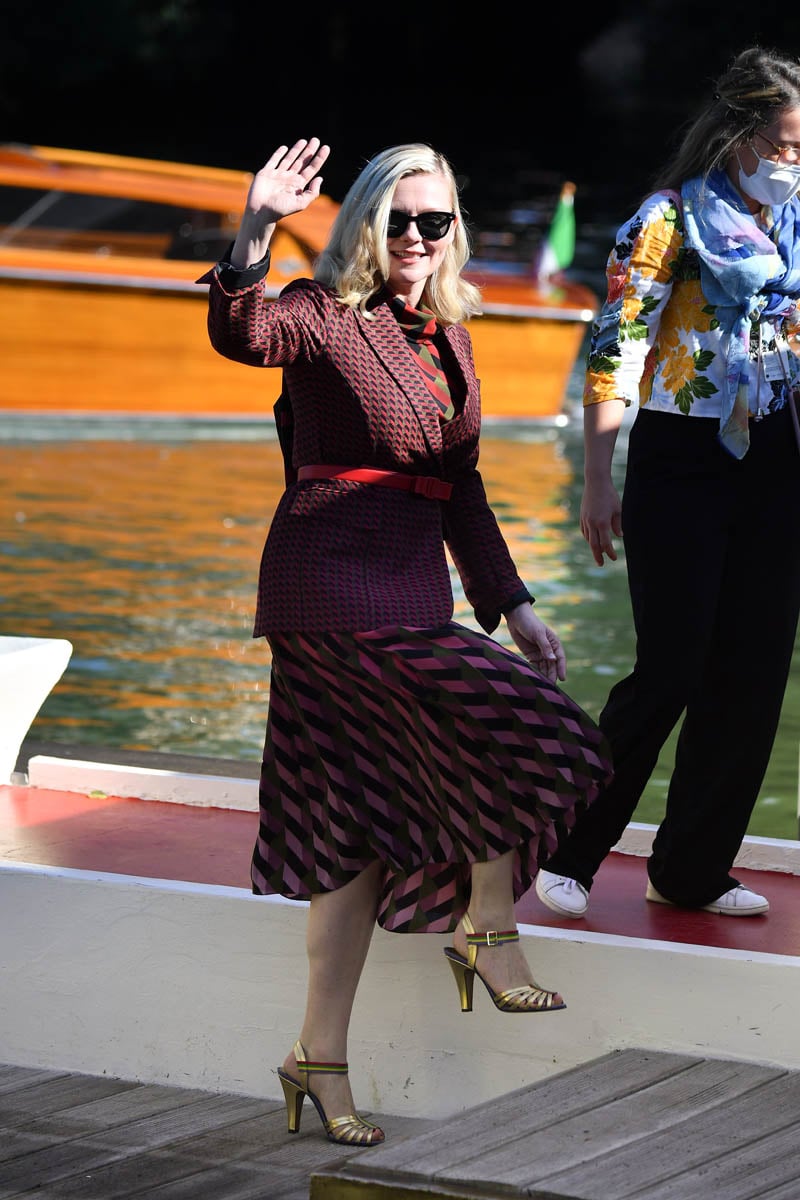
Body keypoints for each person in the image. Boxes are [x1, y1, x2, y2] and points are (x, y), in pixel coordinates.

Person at [200, 137, 613, 1146]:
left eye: (437, 222)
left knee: (351, 841)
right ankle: (486, 927)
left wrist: (511, 604)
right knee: (531, 726)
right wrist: (254, 227)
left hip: (413, 585)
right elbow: (241, 331)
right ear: (365, 225)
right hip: (325, 580)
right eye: (400, 220)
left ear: (453, 232)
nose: (419, 239)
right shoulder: (316, 310)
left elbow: (458, 490)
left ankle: (317, 1062)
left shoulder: (450, 338)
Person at [535, 45, 800, 923]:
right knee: (672, 667)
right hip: (680, 458)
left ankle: (690, 868)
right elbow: (616, 348)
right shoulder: (667, 218)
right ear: (741, 136)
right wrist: (598, 480)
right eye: (788, 146)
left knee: (753, 674)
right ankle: (571, 846)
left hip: (779, 459)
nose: (795, 164)